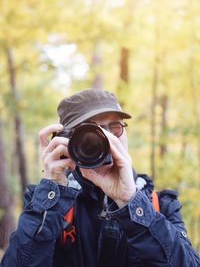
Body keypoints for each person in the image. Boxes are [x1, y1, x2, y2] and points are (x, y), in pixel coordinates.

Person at [1, 89, 200, 267]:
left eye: (114, 128)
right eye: (90, 133)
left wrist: (131, 202)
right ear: (66, 142)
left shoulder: (160, 206)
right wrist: (52, 195)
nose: (106, 139)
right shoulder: (47, 203)